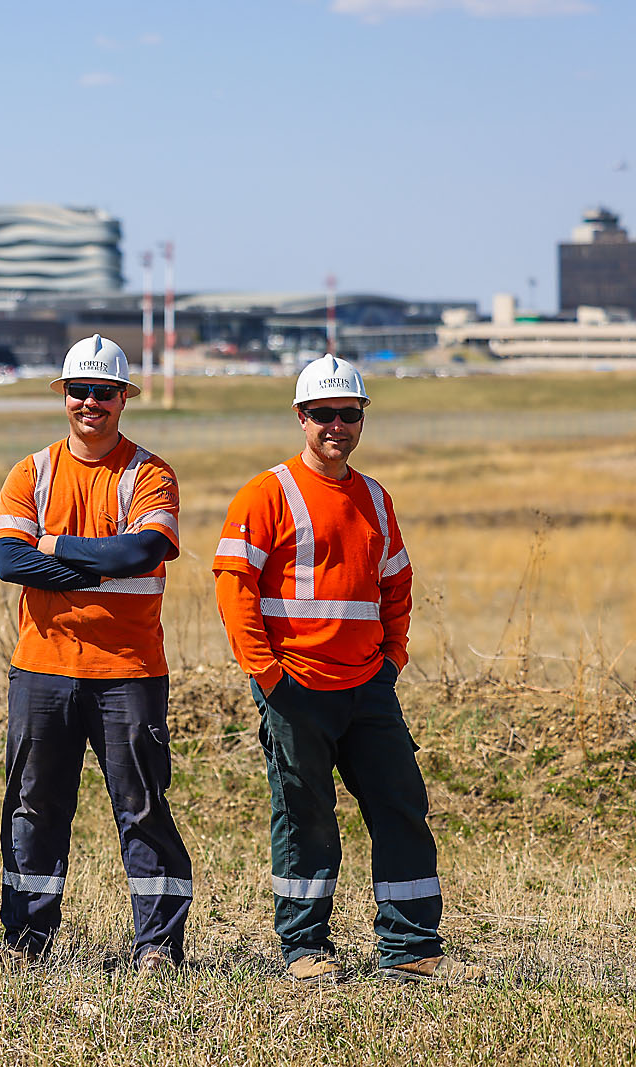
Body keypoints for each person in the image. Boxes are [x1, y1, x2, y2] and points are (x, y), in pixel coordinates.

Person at [212, 355, 485, 985]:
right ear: (300, 417)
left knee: (401, 807)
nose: (336, 425)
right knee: (304, 816)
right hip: (295, 687)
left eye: (348, 414)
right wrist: (266, 672)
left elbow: (397, 582)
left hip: (367, 687)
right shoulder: (266, 493)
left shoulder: (374, 497)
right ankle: (305, 948)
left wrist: (392, 659)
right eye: (323, 414)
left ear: (361, 418)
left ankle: (410, 946)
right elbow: (233, 585)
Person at [0, 334, 194, 973]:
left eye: (104, 392)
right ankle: (27, 942)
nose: (90, 403)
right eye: (80, 390)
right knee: (34, 807)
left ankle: (158, 947)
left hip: (129, 671)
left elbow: (142, 551)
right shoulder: (31, 472)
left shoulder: (150, 473)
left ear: (123, 399)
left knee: (143, 808)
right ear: (65, 395)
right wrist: (99, 561)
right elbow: (8, 561)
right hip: (42, 668)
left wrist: (52, 548)